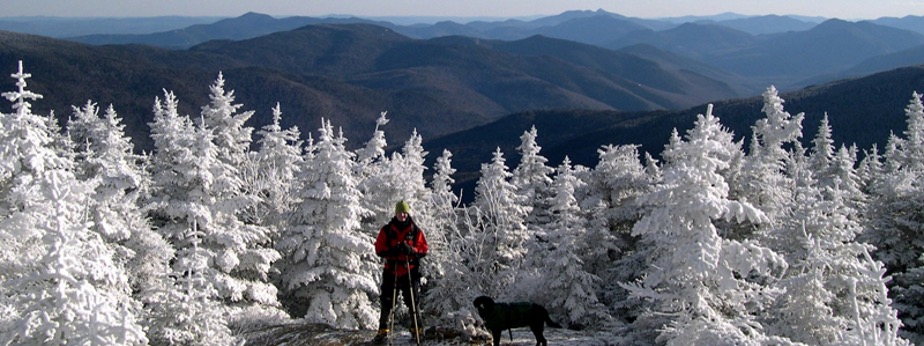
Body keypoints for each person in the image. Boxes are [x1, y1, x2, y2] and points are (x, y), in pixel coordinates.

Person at [373, 200, 429, 344]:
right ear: (396, 214)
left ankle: (417, 329)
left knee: (413, 301)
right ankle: (383, 331)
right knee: (387, 300)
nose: (402, 215)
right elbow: (379, 249)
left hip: (410, 271)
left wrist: (412, 250)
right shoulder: (387, 230)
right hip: (392, 270)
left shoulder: (415, 230)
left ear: (407, 213)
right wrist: (393, 251)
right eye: (400, 213)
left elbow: (424, 249)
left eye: (404, 213)